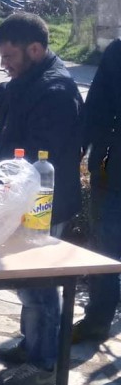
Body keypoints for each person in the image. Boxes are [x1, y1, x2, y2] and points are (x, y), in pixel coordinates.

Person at [0, 11, 84, 385]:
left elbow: (39, 153)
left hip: (47, 203)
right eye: (1, 56)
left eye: (9, 56)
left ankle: (44, 363)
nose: (4, 64)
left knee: (39, 284)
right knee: (28, 283)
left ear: (34, 49)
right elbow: (5, 92)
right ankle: (33, 344)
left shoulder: (56, 91)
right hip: (25, 198)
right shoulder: (29, 77)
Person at [73, 38, 121, 344]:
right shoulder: (118, 52)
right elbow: (97, 109)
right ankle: (97, 320)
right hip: (112, 171)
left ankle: (98, 319)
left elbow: (96, 110)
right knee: (105, 248)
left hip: (112, 171)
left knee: (106, 249)